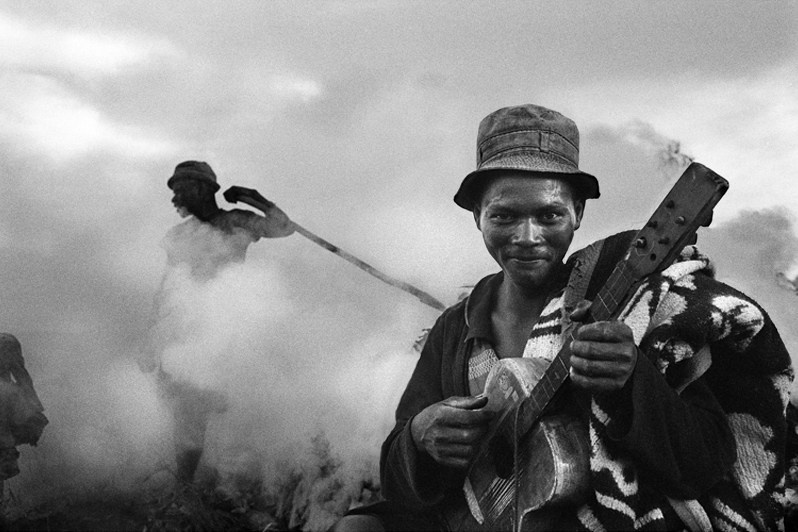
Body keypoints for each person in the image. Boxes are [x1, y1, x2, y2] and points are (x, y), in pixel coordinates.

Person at [333, 104, 792, 531]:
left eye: (549, 215)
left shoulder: (630, 304)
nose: (527, 236)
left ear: (578, 214)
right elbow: (397, 468)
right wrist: (419, 437)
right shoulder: (458, 327)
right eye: (504, 216)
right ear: (478, 216)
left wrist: (633, 381)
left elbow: (705, 462)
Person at [142, 160, 293, 483]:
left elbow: (283, 228)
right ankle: (190, 483)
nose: (175, 199)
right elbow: (168, 284)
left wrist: (256, 199)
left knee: (200, 406)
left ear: (204, 189)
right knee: (184, 408)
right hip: (182, 328)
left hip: (222, 325)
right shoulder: (179, 236)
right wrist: (151, 337)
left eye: (182, 190)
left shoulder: (236, 222)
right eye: (174, 191)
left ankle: (195, 485)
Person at [0, 333, 47, 481]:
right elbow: (22, 377)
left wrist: (33, 411)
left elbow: (22, 377)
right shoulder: (7, 342)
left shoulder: (6, 343)